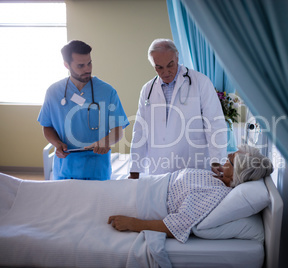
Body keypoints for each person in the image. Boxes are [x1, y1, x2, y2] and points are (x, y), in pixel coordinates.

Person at [109, 144, 273, 243]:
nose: (228, 155)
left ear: (236, 174)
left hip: (141, 199)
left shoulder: (216, 194)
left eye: (230, 159)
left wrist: (132, 223)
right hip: (143, 186)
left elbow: (176, 226)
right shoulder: (217, 177)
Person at [129, 38, 227, 178]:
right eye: (159, 67)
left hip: (193, 164)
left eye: (170, 65)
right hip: (159, 166)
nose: (166, 72)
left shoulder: (200, 82)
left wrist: (217, 160)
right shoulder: (148, 90)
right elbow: (140, 130)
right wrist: (135, 169)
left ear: (177, 57)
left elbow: (215, 123)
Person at [38, 40, 129, 180]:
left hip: (97, 169)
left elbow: (118, 130)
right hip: (64, 169)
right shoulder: (53, 92)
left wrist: (105, 142)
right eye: (80, 65)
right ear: (66, 65)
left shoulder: (107, 91)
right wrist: (57, 144)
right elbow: (47, 126)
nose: (87, 69)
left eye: (89, 63)